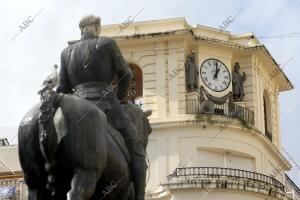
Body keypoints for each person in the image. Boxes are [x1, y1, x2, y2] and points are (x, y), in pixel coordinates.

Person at [56, 14, 147, 200]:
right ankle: (139, 197)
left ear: (81, 29)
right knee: (137, 149)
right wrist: (120, 98)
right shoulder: (107, 44)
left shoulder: (66, 53)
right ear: (96, 27)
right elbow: (127, 75)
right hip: (107, 103)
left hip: (77, 102)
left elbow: (63, 88)